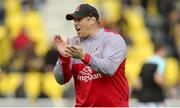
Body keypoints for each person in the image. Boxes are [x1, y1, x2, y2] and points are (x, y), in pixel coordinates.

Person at [53, 4, 128, 107]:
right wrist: (64, 58)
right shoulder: (73, 43)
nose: (75, 24)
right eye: (74, 20)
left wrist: (84, 57)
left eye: (79, 19)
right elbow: (61, 80)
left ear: (92, 20)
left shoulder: (112, 39)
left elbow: (109, 69)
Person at [134, 42, 167, 107]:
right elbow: (157, 78)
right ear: (161, 50)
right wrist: (166, 84)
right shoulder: (161, 61)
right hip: (155, 99)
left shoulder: (146, 61)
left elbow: (138, 82)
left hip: (142, 99)